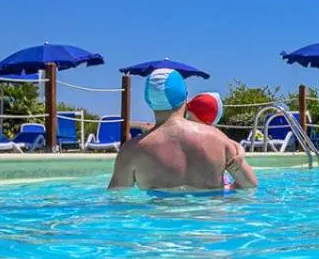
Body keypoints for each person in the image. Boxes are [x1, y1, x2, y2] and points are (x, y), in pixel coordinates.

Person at [109, 70, 258, 191]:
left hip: (160, 219)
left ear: (148, 101)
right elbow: (249, 186)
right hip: (209, 218)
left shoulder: (131, 151)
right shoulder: (217, 139)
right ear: (185, 97)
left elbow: (118, 200)